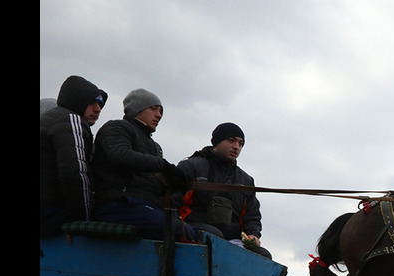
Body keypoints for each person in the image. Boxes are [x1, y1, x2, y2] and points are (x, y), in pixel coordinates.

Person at [93, 89, 194, 240]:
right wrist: (163, 165)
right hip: (119, 204)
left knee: (200, 234)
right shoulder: (117, 127)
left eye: (160, 111)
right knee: (177, 230)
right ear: (137, 109)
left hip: (145, 206)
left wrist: (173, 186)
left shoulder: (154, 146)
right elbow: (119, 155)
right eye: (153, 109)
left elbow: (150, 182)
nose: (159, 115)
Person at [178, 122, 270, 258]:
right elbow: (175, 201)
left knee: (264, 255)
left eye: (241, 143)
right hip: (193, 229)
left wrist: (253, 234)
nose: (236, 147)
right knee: (215, 236)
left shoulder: (246, 181)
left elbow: (252, 215)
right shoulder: (192, 166)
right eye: (231, 140)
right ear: (217, 141)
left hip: (232, 239)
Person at [40, 75, 107, 236]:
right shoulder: (70, 119)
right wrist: (81, 222)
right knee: (112, 214)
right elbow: (75, 174)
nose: (98, 109)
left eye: (100, 104)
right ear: (77, 102)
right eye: (92, 103)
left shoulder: (49, 120)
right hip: (50, 212)